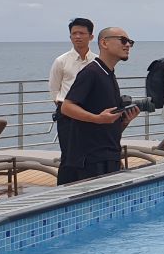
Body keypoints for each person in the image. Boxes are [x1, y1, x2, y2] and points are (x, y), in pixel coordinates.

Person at [58, 27, 140, 185]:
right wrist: (97, 118)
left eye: (130, 42)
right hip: (90, 160)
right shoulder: (91, 72)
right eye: (123, 40)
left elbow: (105, 120)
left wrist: (123, 121)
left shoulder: (108, 74)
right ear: (104, 43)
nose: (128, 45)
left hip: (108, 156)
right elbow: (66, 107)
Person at [48, 17, 96, 166]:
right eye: (74, 33)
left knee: (90, 150)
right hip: (67, 113)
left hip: (90, 111)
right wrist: (62, 106)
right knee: (69, 153)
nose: (77, 37)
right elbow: (54, 88)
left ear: (91, 36)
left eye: (82, 33)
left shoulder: (97, 61)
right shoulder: (61, 61)